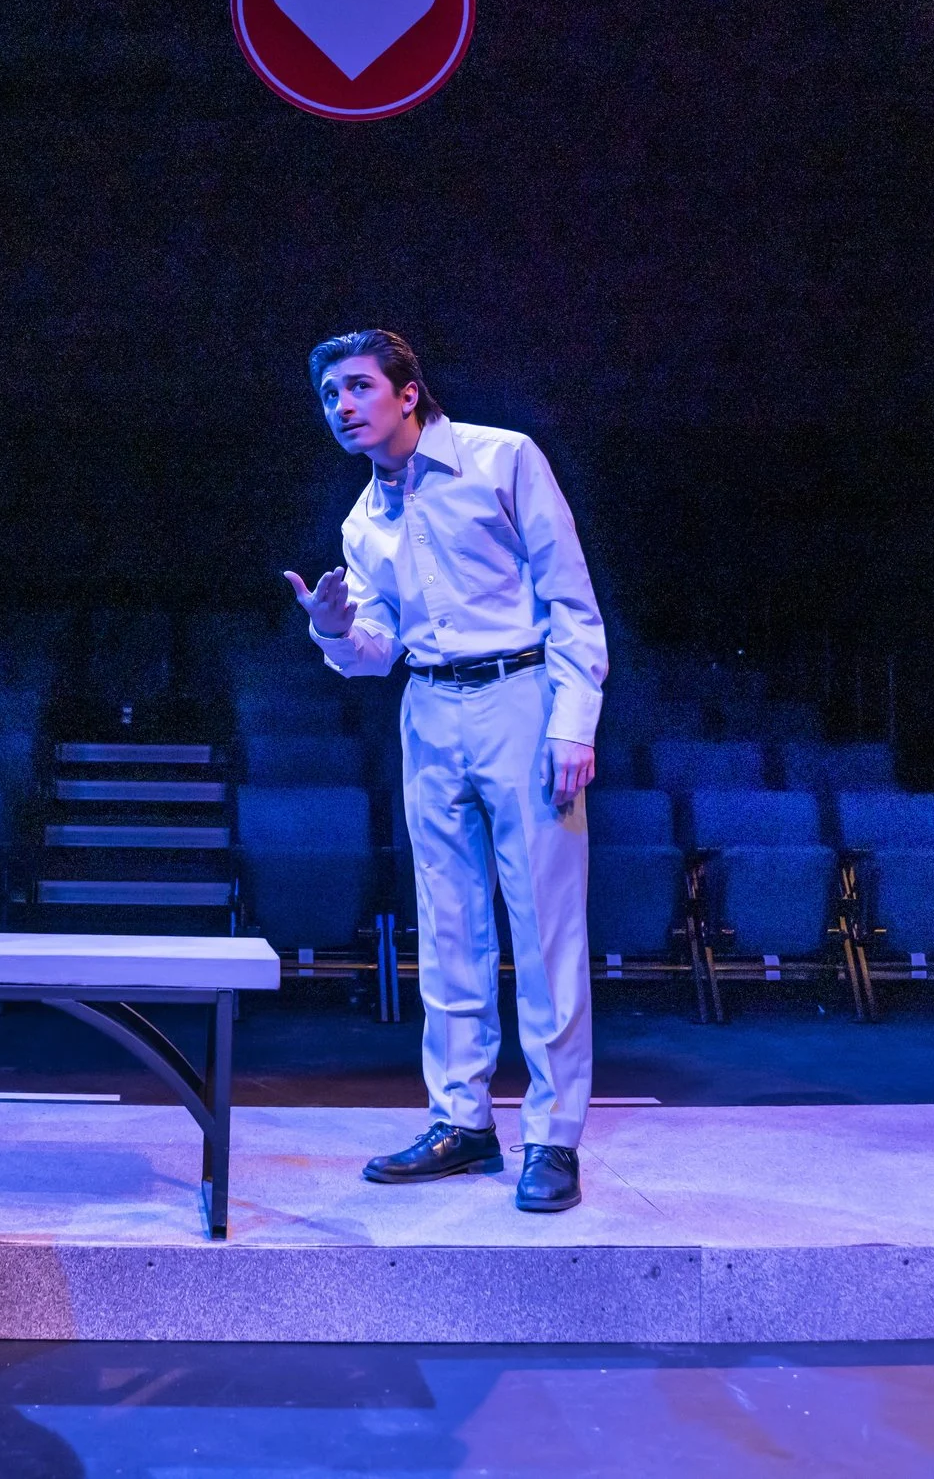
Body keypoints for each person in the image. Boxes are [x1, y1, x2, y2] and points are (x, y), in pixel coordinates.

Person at [284, 330, 606, 1213]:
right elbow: (375, 653)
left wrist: (572, 722)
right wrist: (333, 626)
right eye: (329, 396)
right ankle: (462, 1119)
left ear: (408, 392)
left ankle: (553, 1135)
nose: (342, 407)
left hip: (521, 694)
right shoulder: (363, 521)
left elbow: (572, 600)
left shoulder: (504, 460)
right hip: (428, 708)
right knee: (449, 920)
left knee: (545, 927)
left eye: (356, 387)